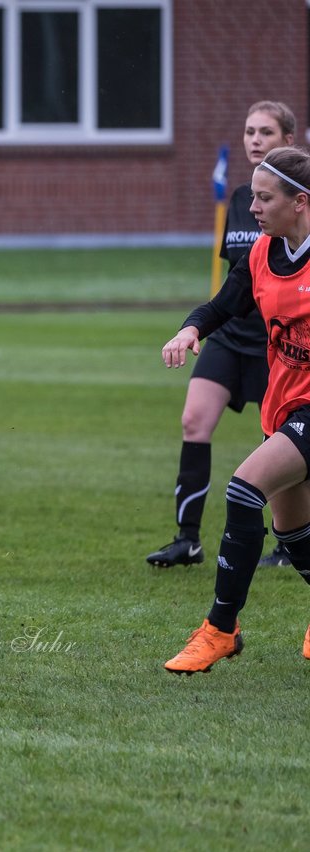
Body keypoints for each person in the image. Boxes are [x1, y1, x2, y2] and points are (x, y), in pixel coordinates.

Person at [160, 145, 310, 673]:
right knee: (294, 534)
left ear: (301, 203)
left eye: (265, 198)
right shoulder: (262, 254)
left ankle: (220, 630)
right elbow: (223, 305)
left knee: (244, 490)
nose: (254, 207)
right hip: (283, 406)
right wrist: (190, 329)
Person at [148, 101, 298, 569]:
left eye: (266, 132)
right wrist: (193, 327)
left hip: (279, 346)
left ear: (288, 143)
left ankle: (286, 541)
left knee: (281, 443)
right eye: (249, 130)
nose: (255, 140)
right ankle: (187, 538)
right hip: (230, 336)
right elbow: (234, 284)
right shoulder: (239, 199)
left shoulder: (299, 210)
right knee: (195, 420)